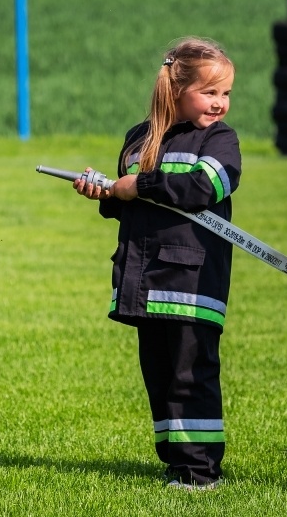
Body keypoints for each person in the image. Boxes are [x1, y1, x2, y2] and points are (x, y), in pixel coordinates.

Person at [73, 37, 240, 490]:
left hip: (191, 281)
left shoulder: (220, 140)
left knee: (191, 376)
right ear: (175, 89)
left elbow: (204, 188)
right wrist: (105, 193)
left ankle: (202, 471)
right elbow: (128, 203)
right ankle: (176, 462)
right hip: (143, 280)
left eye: (225, 94)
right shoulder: (137, 138)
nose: (220, 103)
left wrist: (138, 185)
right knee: (161, 377)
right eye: (210, 93)